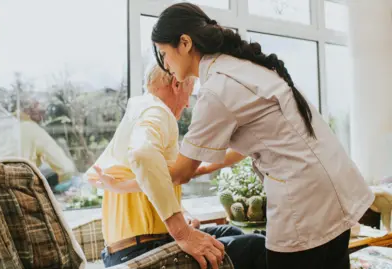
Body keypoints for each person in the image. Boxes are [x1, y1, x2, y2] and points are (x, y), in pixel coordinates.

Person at [95, 2, 375, 268]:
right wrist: (199, 167)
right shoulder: (240, 67)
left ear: (185, 43)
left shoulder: (216, 89)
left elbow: (178, 172)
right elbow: (250, 145)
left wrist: (123, 185)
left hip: (304, 199)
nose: (165, 64)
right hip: (335, 185)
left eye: (164, 54)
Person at [86, 64, 266, 269]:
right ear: (176, 84)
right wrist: (182, 231)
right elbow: (142, 154)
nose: (188, 104)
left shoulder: (139, 112)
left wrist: (254, 144)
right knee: (256, 246)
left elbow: (182, 172)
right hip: (141, 251)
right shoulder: (157, 111)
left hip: (125, 250)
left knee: (231, 233)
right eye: (189, 94)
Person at [0, 97, 79, 191]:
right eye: (39, 108)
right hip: (21, 189)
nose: (43, 113)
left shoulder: (3, 127)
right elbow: (66, 168)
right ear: (28, 111)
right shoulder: (32, 129)